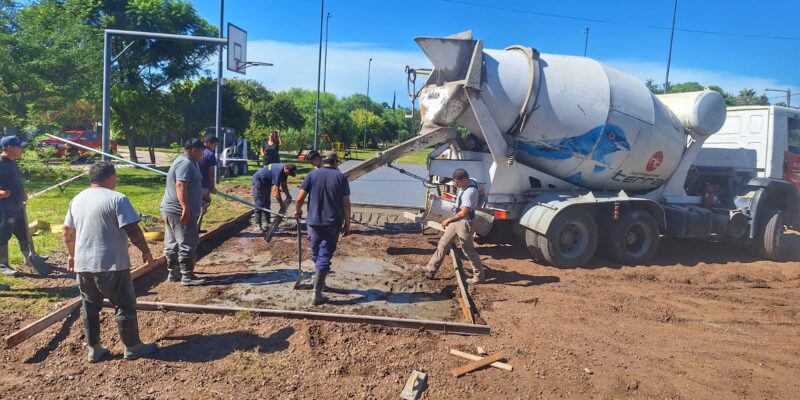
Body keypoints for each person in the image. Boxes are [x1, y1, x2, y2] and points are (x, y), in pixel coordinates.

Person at [63, 161, 157, 362]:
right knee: (124, 304)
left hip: (83, 265)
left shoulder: (77, 199)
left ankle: (94, 349)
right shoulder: (117, 199)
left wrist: (72, 255)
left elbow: (67, 232)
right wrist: (147, 253)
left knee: (89, 306)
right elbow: (132, 229)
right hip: (112, 264)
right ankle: (132, 347)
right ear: (111, 177)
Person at [294, 151, 351, 306]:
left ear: (323, 161)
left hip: (313, 222)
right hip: (332, 223)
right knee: (324, 255)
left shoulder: (312, 175)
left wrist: (298, 211)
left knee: (316, 252)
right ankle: (317, 294)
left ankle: (320, 279)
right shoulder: (341, 177)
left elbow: (298, 199)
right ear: (336, 162)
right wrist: (347, 223)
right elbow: (346, 203)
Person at [420, 168, 486, 284]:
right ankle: (430, 269)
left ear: (465, 180)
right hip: (457, 220)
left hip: (465, 223)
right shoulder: (472, 181)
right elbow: (482, 189)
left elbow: (464, 213)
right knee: (443, 242)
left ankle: (479, 276)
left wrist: (448, 220)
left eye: (457, 182)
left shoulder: (469, 193)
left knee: (468, 250)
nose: (455, 184)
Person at [161, 138, 207, 286]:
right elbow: (180, 185)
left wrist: (202, 196)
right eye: (201, 151)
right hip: (178, 211)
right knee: (187, 242)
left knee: (173, 243)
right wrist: (185, 208)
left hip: (171, 210)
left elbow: (190, 185)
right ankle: (187, 276)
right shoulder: (185, 163)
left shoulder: (187, 162)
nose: (203, 155)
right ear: (194, 150)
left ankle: (174, 273)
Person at [0, 135, 42, 276]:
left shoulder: (13, 162)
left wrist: (23, 192)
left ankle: (30, 257)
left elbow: (15, 181)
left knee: (23, 232)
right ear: (9, 148)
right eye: (18, 146)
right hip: (4, 208)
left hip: (17, 205)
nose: (21, 149)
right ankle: (3, 265)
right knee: (3, 235)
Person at [252, 162, 296, 231]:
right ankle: (257, 225)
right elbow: (276, 193)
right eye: (289, 173)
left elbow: (284, 185)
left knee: (267, 203)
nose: (289, 175)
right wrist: (282, 204)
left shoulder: (285, 172)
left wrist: (289, 196)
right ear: (286, 168)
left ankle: (266, 223)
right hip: (259, 181)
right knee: (259, 203)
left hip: (267, 183)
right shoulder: (278, 171)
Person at [196, 135, 219, 232]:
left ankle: (194, 229)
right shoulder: (210, 155)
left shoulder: (197, 152)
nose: (216, 147)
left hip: (194, 185)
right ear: (209, 143)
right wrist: (212, 187)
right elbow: (211, 174)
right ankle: (196, 229)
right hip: (204, 186)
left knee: (195, 207)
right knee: (203, 208)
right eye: (215, 144)